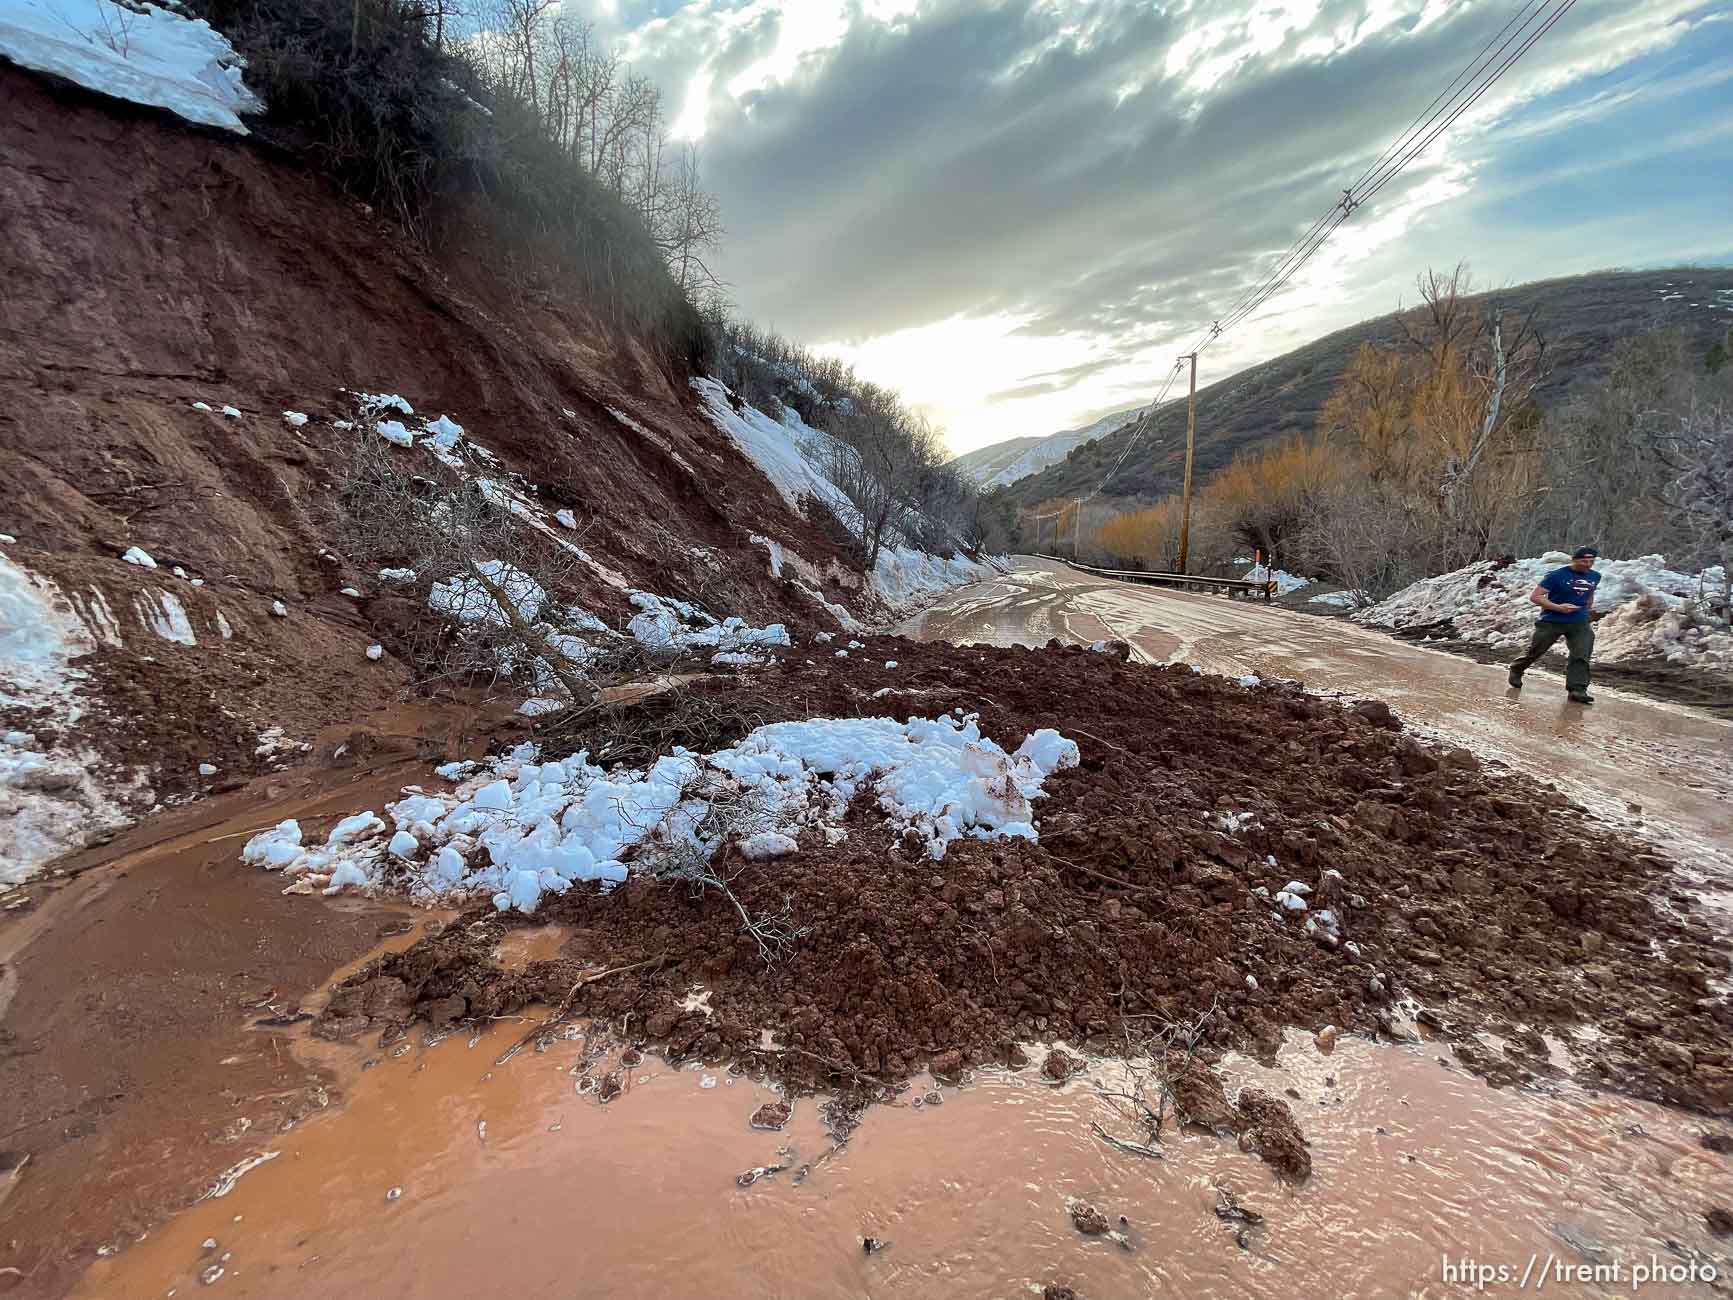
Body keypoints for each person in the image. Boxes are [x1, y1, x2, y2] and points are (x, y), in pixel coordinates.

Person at [1508, 546, 1601, 704]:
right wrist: (1558, 608)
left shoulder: (1595, 576)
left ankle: (1577, 689)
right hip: (1552, 620)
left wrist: (1587, 609)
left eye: (1591, 561)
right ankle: (1517, 668)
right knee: (1536, 651)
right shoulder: (1556, 575)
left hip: (1579, 621)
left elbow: (1589, 593)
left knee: (1581, 654)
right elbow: (1536, 597)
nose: (1588, 564)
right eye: (1584, 561)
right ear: (1574, 560)